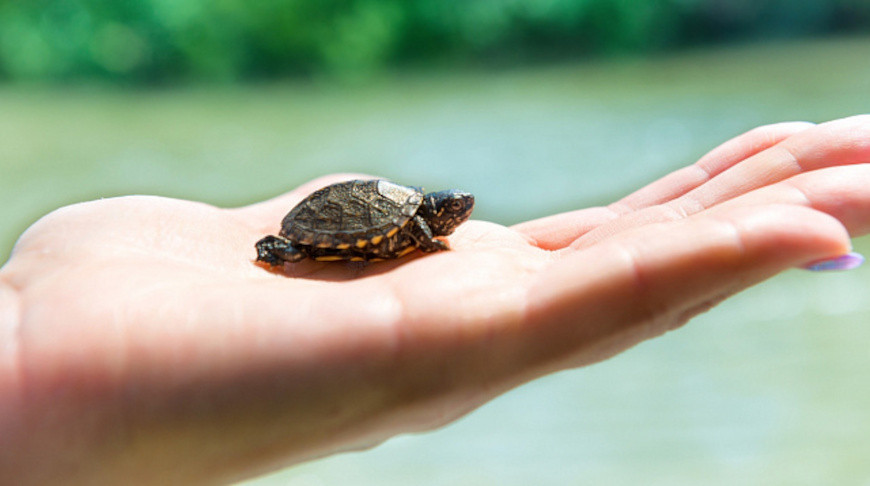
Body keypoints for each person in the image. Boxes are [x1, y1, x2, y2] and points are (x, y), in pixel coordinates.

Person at [0, 115, 868, 484]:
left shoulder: (423, 221)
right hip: (323, 226)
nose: (457, 217)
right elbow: (372, 235)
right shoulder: (406, 226)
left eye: (449, 213)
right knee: (294, 252)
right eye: (450, 213)